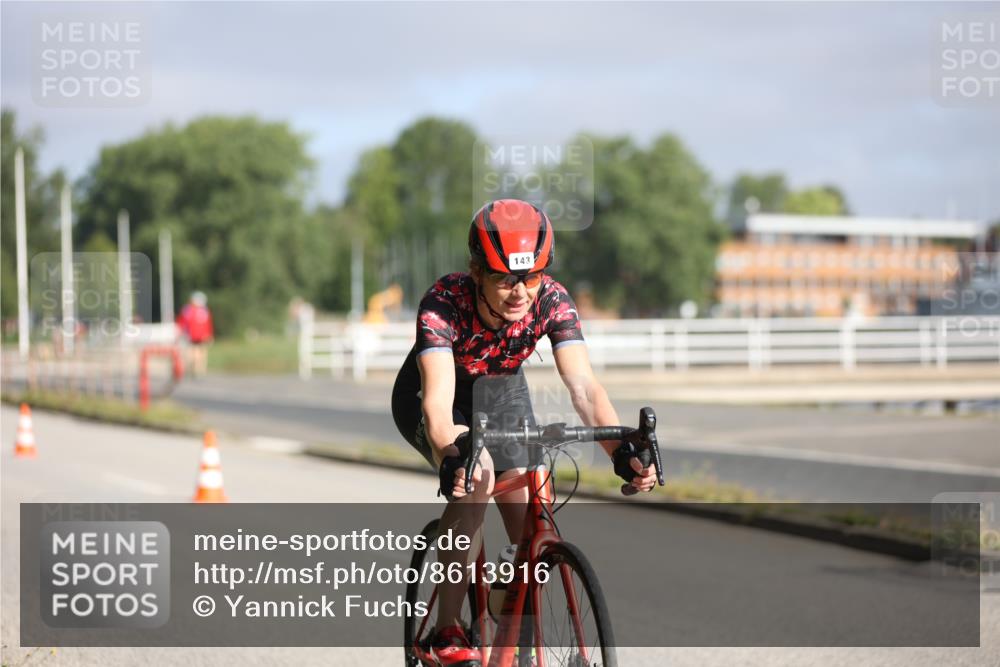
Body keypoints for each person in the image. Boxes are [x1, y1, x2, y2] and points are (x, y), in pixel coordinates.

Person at [392, 199, 657, 666]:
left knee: (532, 518)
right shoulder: (443, 303)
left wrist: (622, 451)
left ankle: (506, 618)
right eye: (503, 278)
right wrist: (451, 451)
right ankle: (447, 628)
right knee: (477, 481)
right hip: (438, 393)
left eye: (530, 277)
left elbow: (584, 388)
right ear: (477, 272)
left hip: (501, 391)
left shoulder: (552, 300)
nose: (519, 293)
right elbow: (436, 404)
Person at [177, 291, 214, 377]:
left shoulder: (203, 311)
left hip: (200, 336)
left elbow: (208, 324)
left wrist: (209, 334)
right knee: (194, 354)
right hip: (192, 336)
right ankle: (195, 370)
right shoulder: (188, 310)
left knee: (201, 354)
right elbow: (183, 323)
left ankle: (199, 371)